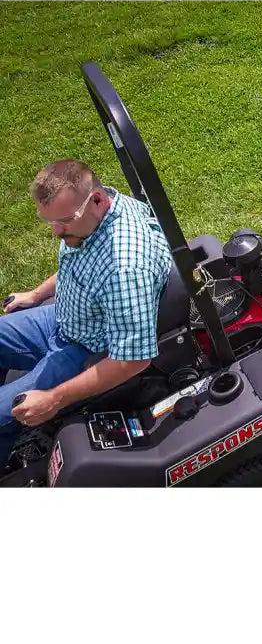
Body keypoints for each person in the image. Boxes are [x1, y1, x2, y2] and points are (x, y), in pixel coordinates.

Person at [0, 159, 172, 469]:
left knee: (4, 414)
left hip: (85, 349)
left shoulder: (126, 267)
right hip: (64, 318)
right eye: (48, 221)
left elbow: (132, 360)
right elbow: (79, 265)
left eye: (63, 221)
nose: (55, 231)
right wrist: (37, 295)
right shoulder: (90, 219)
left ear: (96, 200)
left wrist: (54, 398)